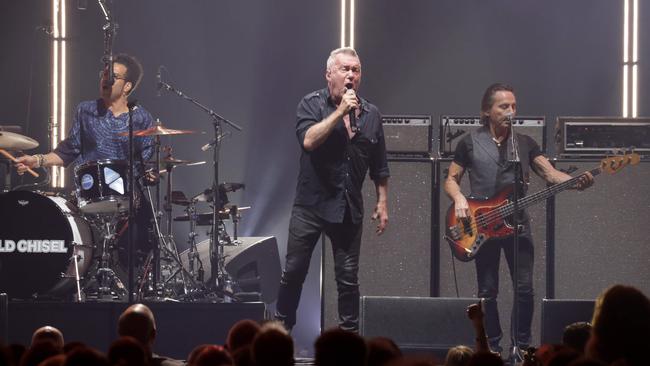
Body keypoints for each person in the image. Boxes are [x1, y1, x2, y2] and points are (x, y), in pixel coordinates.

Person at [444, 83, 594, 355]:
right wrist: (460, 199)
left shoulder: (524, 143)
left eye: (513, 106)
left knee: (525, 289)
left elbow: (549, 174)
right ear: (487, 111)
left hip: (518, 226)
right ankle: (493, 348)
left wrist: (575, 181)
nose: (510, 111)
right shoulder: (469, 142)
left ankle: (521, 348)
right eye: (503, 106)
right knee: (488, 291)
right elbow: (451, 180)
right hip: (483, 226)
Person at [14, 53, 155, 296]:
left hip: (126, 198)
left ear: (128, 86)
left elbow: (148, 163)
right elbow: (68, 151)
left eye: (113, 77)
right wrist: (36, 160)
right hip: (88, 194)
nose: (105, 79)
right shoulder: (86, 110)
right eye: (103, 74)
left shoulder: (141, 118)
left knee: (141, 234)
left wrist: (153, 172)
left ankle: (135, 289)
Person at [275, 47, 389, 332]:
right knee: (294, 271)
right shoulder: (311, 104)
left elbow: (379, 163)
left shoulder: (372, 113)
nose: (351, 75)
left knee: (348, 278)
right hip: (311, 205)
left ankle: (347, 341)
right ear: (329, 74)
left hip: (348, 205)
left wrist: (383, 201)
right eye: (344, 69)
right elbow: (309, 141)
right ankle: (282, 330)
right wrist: (340, 112)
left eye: (356, 70)